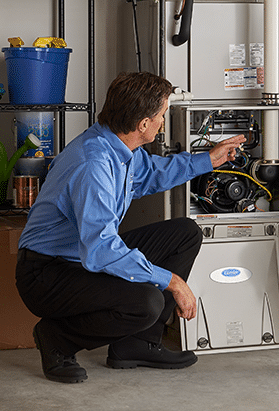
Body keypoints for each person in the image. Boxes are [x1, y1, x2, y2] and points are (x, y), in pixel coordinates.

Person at [16, 71, 245, 384]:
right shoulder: (92, 164)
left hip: (79, 258)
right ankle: (57, 338)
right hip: (47, 275)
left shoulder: (119, 148)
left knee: (184, 234)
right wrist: (173, 281)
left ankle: (138, 344)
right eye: (162, 115)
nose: (163, 121)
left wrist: (208, 160)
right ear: (144, 124)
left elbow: (152, 173)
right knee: (145, 302)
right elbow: (100, 251)